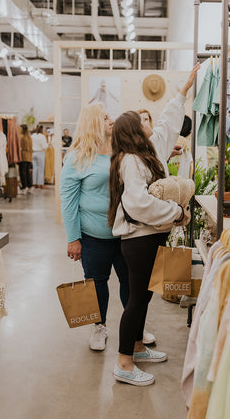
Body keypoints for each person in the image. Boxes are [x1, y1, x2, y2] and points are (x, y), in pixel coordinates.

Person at [108, 63, 200, 386]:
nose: (147, 122)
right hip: (138, 240)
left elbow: (167, 125)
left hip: (148, 236)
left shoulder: (145, 153)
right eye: (140, 120)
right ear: (134, 130)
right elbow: (137, 203)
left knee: (143, 296)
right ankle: (123, 363)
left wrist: (183, 90)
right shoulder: (131, 161)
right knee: (135, 300)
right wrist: (175, 212)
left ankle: (135, 347)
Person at [60, 103, 155, 352]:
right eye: (104, 118)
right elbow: (68, 203)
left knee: (131, 283)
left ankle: (134, 328)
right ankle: (98, 326)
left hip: (126, 232)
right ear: (93, 124)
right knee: (96, 282)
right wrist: (73, 239)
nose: (110, 120)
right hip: (93, 236)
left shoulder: (122, 151)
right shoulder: (76, 159)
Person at [32, 125, 48, 189]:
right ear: (42, 130)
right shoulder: (42, 137)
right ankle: (41, 184)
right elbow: (44, 146)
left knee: (35, 168)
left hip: (33, 153)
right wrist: (47, 145)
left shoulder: (32, 136)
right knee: (41, 169)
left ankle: (35, 184)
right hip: (40, 153)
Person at [19, 124, 33, 194]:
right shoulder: (29, 137)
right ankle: (30, 186)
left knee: (22, 172)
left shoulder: (22, 137)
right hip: (29, 156)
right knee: (27, 172)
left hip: (23, 156)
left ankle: (24, 187)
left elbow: (20, 147)